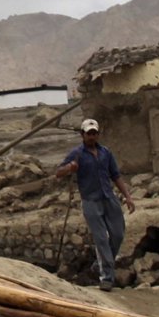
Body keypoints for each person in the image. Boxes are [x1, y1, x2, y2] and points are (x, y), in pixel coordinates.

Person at [55, 118, 136, 291]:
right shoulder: (77, 153)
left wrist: (128, 197)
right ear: (82, 135)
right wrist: (70, 168)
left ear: (98, 134)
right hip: (91, 201)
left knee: (118, 234)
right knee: (101, 239)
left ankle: (98, 266)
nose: (92, 137)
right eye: (89, 134)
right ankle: (106, 277)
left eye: (94, 133)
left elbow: (115, 175)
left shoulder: (106, 152)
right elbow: (58, 172)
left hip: (108, 197)